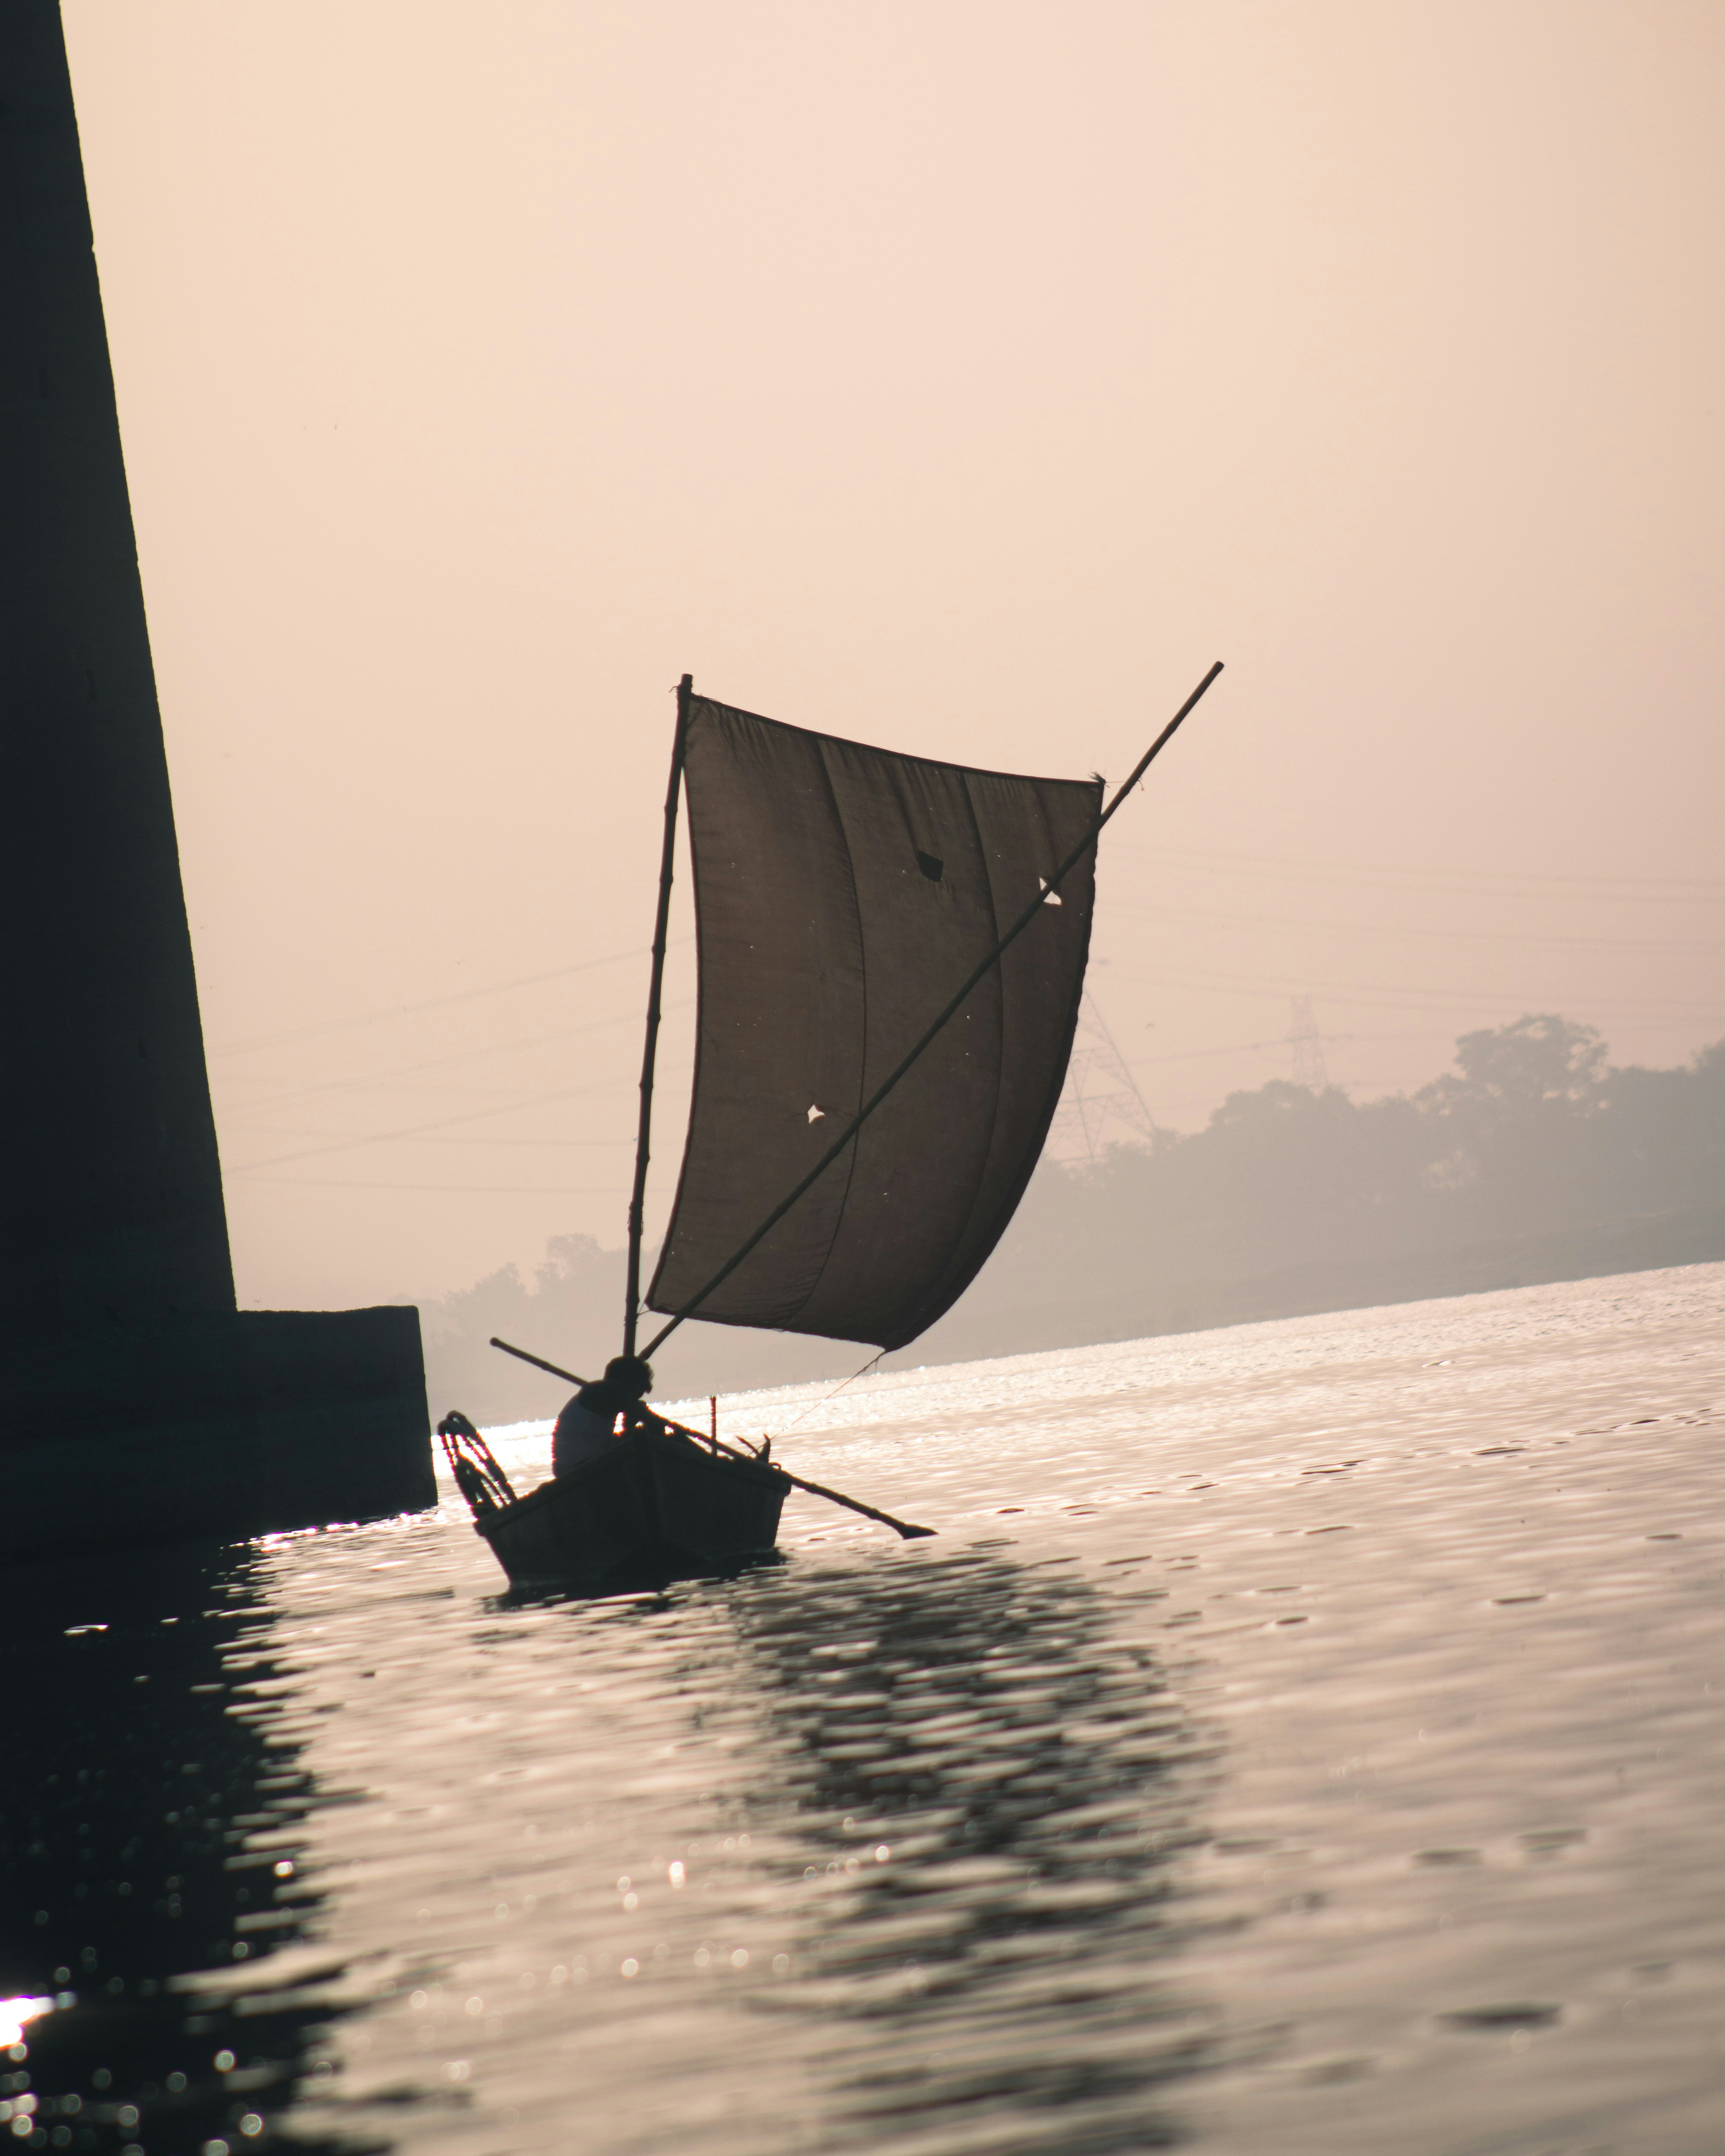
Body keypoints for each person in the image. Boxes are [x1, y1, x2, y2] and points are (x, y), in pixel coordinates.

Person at [552, 1355, 662, 1477]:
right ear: (632, 1381)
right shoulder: (608, 1389)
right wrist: (640, 1414)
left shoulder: (597, 1391)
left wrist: (630, 1427)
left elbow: (604, 1442)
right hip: (581, 1467)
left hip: (571, 1467)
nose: (639, 1397)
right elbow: (656, 1426)